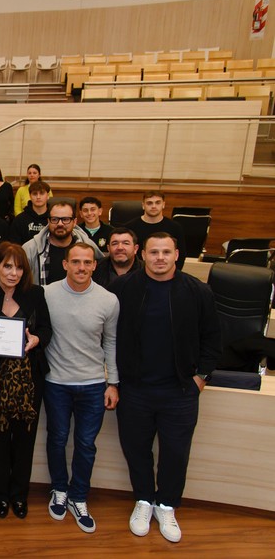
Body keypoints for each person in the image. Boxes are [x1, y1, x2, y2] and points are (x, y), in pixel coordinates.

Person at [108, 233, 220, 544]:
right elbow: (108, 334)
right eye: (153, 251)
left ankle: (167, 505)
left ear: (176, 255)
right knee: (137, 450)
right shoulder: (122, 288)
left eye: (166, 252)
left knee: (175, 453)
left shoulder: (198, 291)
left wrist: (201, 379)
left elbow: (212, 340)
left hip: (180, 391)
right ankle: (144, 500)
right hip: (134, 389)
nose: (160, 257)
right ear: (141, 254)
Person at [0, 242, 52, 520]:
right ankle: (0, 494)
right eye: (7, 266)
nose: (13, 273)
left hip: (29, 379)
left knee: (24, 439)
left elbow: (46, 330)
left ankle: (19, 495)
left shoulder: (35, 294)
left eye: (19, 267)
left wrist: (37, 339)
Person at [43, 243, 119, 534]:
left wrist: (113, 382)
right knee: (58, 439)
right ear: (65, 264)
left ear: (94, 266)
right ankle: (59, 490)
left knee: (86, 445)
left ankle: (78, 496)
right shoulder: (47, 294)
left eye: (87, 262)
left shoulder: (108, 300)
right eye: (75, 261)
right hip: (56, 383)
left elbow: (110, 343)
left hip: (92, 385)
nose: (81, 267)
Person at [22, 199, 105, 285]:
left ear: (75, 222)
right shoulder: (30, 249)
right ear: (48, 221)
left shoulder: (87, 245)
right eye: (54, 219)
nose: (60, 224)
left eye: (65, 219)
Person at [125, 190, 187, 270]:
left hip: (167, 273)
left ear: (163, 204)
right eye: (149, 203)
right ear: (143, 205)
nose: (154, 206)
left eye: (158, 203)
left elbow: (181, 255)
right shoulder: (130, 228)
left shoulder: (175, 227)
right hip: (136, 274)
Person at [9, 180, 50, 244]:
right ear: (30, 196)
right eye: (35, 194)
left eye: (41, 193)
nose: (38, 197)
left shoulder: (54, 219)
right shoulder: (19, 220)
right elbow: (15, 246)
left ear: (48, 196)